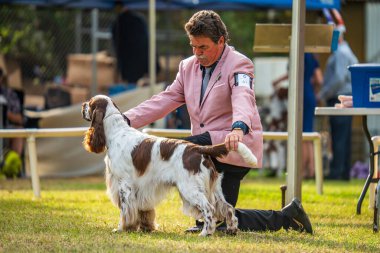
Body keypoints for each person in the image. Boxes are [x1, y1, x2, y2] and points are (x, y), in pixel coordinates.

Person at [124, 10, 313, 234]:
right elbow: (165, 99)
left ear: (221, 41)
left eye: (202, 47)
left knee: (178, 153)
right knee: (217, 220)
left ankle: (285, 218)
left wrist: (238, 127)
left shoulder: (240, 64)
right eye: (193, 46)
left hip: (233, 144)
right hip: (206, 146)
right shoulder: (187, 66)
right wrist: (126, 118)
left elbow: (243, 97)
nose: (197, 53)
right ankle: (287, 217)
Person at [317, 23, 358, 181]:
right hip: (345, 96)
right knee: (344, 136)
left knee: (339, 137)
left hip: (340, 97)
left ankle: (337, 174)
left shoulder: (340, 53)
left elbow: (339, 79)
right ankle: (344, 173)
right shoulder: (344, 51)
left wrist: (323, 93)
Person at [111, 3, 160, 86]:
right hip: (145, 58)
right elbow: (147, 40)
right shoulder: (138, 19)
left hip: (128, 61)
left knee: (131, 84)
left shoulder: (118, 22)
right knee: (145, 84)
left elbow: (117, 45)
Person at [0, 67, 24, 163]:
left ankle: (12, 165)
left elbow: (19, 118)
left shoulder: (9, 94)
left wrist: (5, 113)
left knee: (19, 131)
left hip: (6, 127)